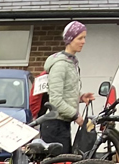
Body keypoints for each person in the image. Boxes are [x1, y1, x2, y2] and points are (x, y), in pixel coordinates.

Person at [40, 23, 95, 152]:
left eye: (84, 38)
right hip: (54, 126)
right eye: (80, 38)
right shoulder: (60, 65)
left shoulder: (71, 62)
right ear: (70, 40)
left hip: (62, 124)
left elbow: (65, 91)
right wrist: (76, 116)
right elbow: (55, 101)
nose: (83, 42)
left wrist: (80, 97)